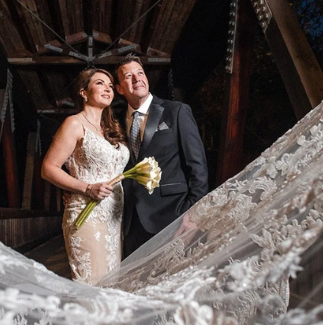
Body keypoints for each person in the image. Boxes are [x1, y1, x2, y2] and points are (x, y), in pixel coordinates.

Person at [114, 56, 209, 258]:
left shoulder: (176, 111)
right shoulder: (115, 123)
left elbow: (197, 166)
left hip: (174, 217)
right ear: (120, 89)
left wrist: (193, 213)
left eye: (140, 73)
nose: (137, 79)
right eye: (128, 76)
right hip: (132, 225)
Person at [40, 68, 129, 283]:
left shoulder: (111, 129)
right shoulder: (74, 123)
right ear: (84, 92)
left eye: (110, 85)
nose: (108, 88)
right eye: (100, 83)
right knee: (92, 285)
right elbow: (48, 168)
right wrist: (87, 188)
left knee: (110, 284)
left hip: (114, 218)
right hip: (87, 215)